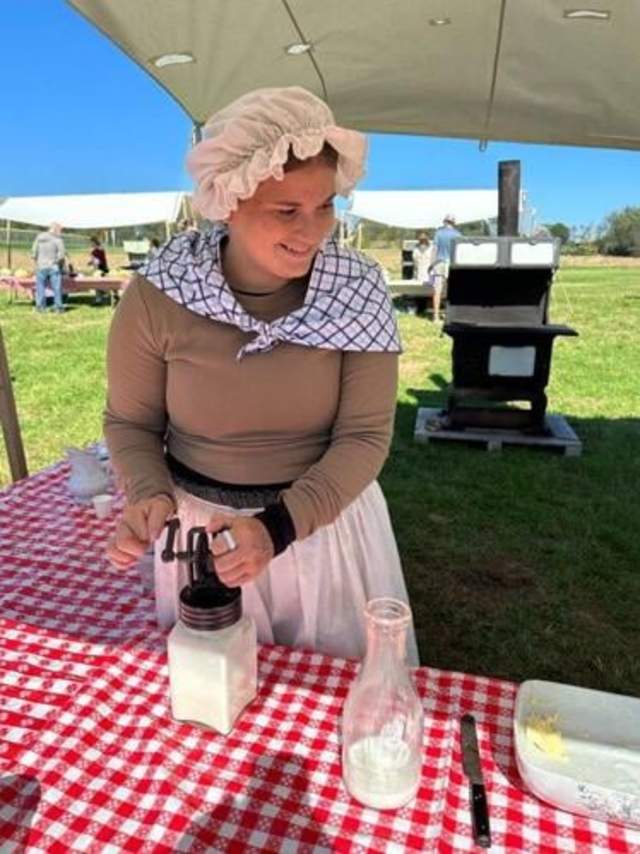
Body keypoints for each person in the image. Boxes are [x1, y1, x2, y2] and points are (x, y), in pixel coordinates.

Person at [104, 86, 419, 665]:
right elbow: (130, 421)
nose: (313, 230)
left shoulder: (356, 290)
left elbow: (365, 438)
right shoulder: (159, 295)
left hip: (323, 532)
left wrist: (277, 529)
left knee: (331, 703)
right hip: (201, 536)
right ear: (229, 201)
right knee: (214, 701)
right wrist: (148, 492)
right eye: (287, 210)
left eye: (325, 205)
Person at [428, 214, 461, 322]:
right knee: (453, 291)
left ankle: (436, 316)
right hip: (452, 264)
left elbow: (434, 249)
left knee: (437, 290)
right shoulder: (458, 234)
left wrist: (431, 264)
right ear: (453, 223)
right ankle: (450, 315)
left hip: (439, 263)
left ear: (445, 222)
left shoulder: (438, 233)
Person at [31, 223, 65, 313]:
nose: (61, 232)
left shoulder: (39, 237)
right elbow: (61, 255)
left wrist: (36, 264)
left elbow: (34, 253)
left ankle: (40, 307)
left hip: (41, 266)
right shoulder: (58, 239)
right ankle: (58, 307)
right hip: (54, 266)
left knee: (40, 287)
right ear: (55, 229)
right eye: (60, 230)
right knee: (56, 288)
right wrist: (57, 263)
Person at [411, 231, 432, 316]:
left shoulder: (432, 248)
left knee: (427, 291)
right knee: (418, 292)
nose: (422, 240)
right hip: (419, 272)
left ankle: (426, 308)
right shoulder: (416, 248)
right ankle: (419, 309)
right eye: (421, 238)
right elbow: (415, 261)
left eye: (424, 238)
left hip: (428, 273)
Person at [88, 236, 110, 305]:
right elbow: (95, 261)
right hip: (101, 269)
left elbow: (98, 261)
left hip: (101, 269)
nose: (90, 244)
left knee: (98, 284)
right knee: (99, 284)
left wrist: (93, 262)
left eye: (91, 243)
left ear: (94, 242)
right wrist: (91, 262)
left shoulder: (97, 250)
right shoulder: (97, 250)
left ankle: (99, 299)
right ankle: (101, 297)